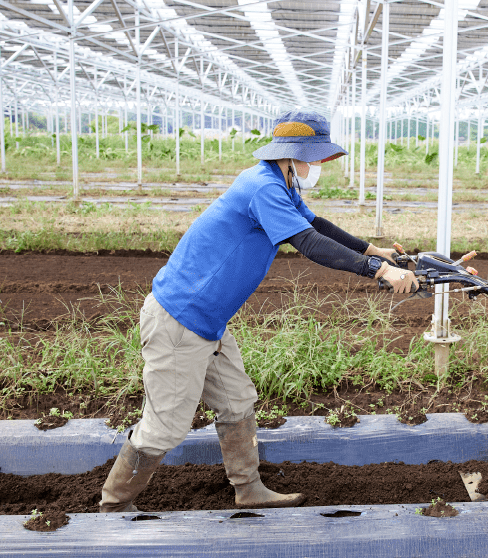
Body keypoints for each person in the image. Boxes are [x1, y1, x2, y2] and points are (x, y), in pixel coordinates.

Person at [99, 110, 419, 512]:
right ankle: (113, 506)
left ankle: (248, 488)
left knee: (236, 401)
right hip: (180, 321)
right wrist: (378, 270)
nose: (317, 166)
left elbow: (318, 225)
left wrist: (373, 251)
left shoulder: (282, 184)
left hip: (208, 322)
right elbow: (309, 244)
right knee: (163, 428)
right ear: (294, 154)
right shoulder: (262, 187)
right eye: (314, 157)